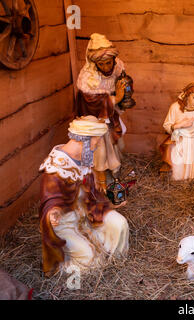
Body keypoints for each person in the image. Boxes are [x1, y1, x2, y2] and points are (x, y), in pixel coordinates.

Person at [39, 116, 129, 276]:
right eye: (95, 143)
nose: (96, 147)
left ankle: (115, 264)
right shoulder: (56, 168)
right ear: (84, 141)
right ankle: (62, 266)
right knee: (89, 260)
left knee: (120, 224)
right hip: (66, 224)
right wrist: (54, 212)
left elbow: (92, 194)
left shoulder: (83, 159)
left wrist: (110, 204)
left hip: (89, 213)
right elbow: (50, 201)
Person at [76, 33, 129, 192]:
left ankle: (113, 173)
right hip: (94, 121)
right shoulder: (87, 78)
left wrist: (125, 93)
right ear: (94, 63)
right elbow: (93, 103)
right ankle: (100, 180)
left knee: (117, 142)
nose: (106, 67)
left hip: (110, 114)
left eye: (108, 63)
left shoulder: (117, 66)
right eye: (102, 64)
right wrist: (116, 98)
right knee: (100, 148)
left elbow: (123, 81)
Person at [160, 81, 194, 181]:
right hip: (179, 142)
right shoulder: (175, 107)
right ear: (187, 95)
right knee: (177, 169)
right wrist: (179, 125)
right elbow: (166, 125)